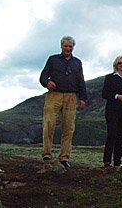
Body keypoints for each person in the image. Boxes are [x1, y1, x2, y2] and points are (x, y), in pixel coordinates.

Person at [39, 35, 87, 168]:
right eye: (66, 46)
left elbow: (81, 81)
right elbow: (43, 76)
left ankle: (64, 157)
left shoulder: (77, 63)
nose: (68, 48)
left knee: (69, 128)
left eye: (70, 46)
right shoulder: (52, 59)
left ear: (73, 47)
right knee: (49, 124)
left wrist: (82, 98)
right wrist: (47, 82)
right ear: (61, 46)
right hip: (54, 95)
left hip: (71, 97)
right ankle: (47, 153)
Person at [102, 56, 122, 168]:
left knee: (120, 136)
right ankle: (107, 161)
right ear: (116, 65)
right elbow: (105, 94)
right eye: (120, 63)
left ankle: (117, 161)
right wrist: (117, 96)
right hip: (112, 110)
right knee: (112, 134)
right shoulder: (110, 78)